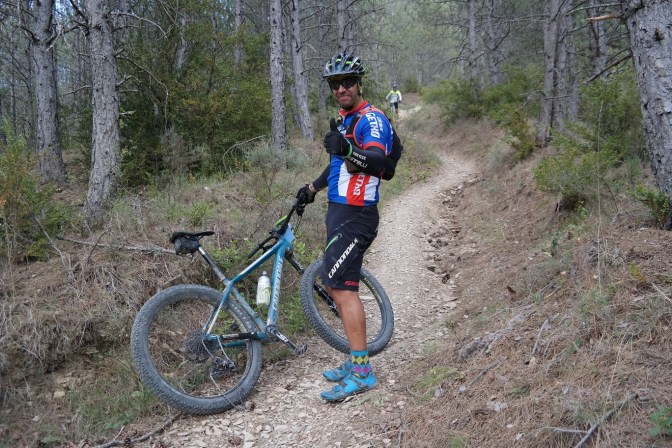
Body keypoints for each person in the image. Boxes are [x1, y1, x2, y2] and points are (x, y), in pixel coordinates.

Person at [296, 52, 393, 402]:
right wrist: (312, 188)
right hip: (340, 212)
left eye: (348, 81)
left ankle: (363, 372)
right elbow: (338, 164)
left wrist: (349, 148)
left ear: (359, 83)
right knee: (336, 283)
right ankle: (356, 359)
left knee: (341, 288)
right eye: (335, 84)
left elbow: (378, 161)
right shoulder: (345, 119)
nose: (341, 88)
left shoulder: (371, 119)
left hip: (357, 215)